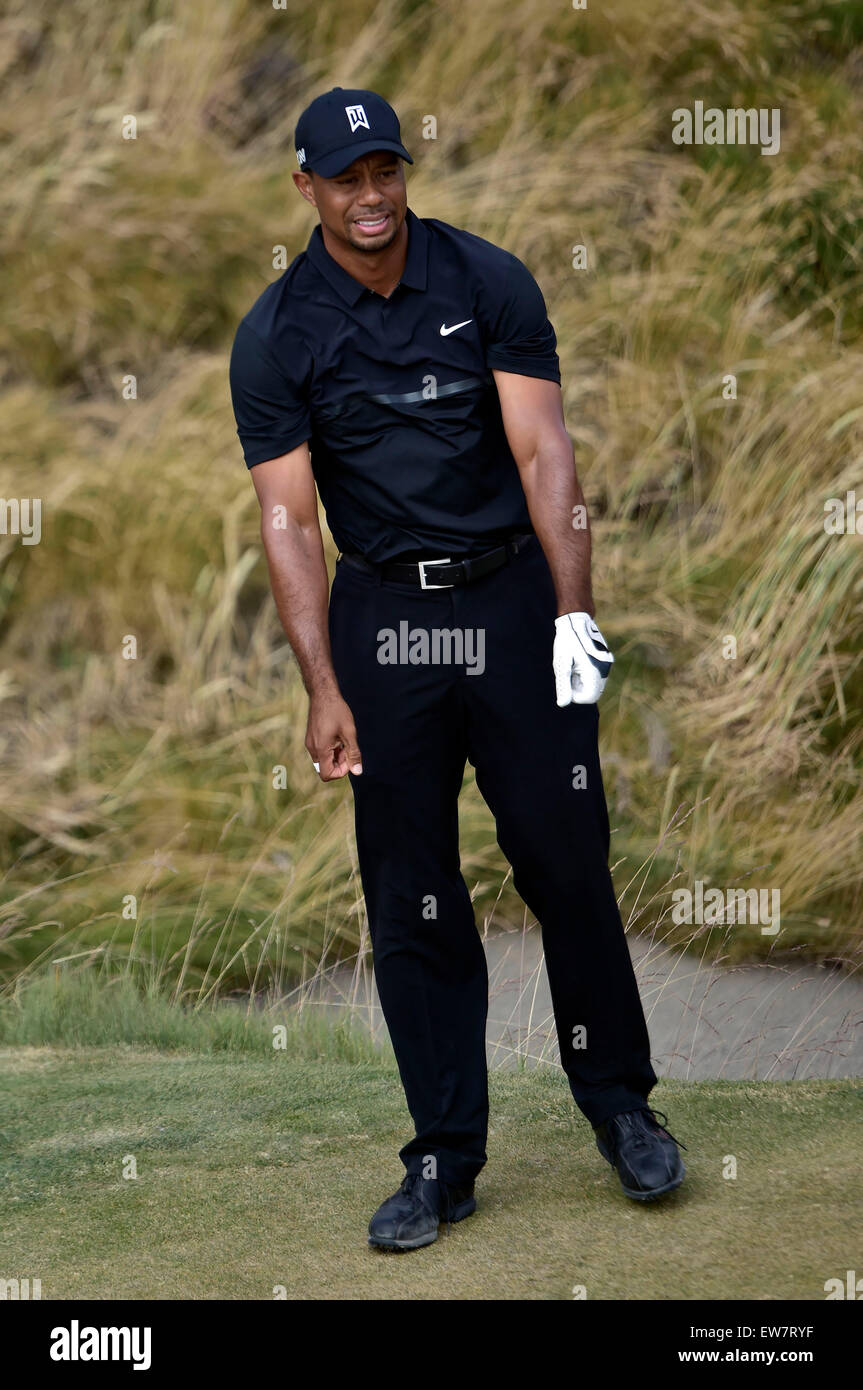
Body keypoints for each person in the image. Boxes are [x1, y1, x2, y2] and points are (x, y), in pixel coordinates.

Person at [229, 87, 685, 1252]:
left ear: (401, 172)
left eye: (384, 170)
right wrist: (322, 686)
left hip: (510, 603)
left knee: (565, 858)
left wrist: (571, 615)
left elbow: (543, 450)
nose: (369, 195)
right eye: (345, 177)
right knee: (411, 898)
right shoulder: (278, 332)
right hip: (385, 622)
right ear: (307, 189)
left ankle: (620, 1107)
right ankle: (443, 1157)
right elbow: (287, 523)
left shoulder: (485, 281)